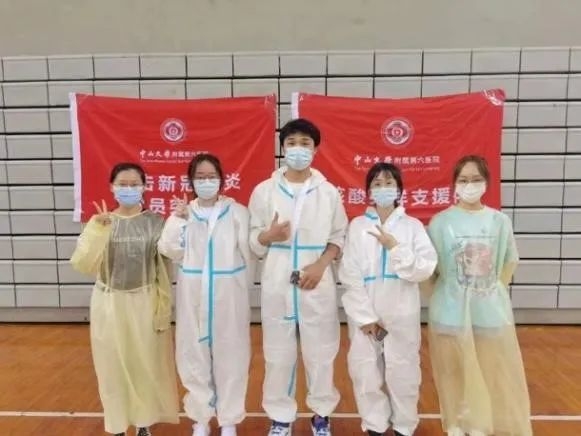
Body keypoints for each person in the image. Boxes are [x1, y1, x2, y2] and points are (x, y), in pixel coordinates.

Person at [248, 118, 348, 436]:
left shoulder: (328, 192)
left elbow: (338, 235)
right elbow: (253, 238)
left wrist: (321, 265)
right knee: (278, 353)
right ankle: (280, 417)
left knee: (321, 351)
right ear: (282, 148)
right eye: (291, 143)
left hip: (316, 280)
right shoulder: (264, 191)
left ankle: (321, 415)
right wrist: (269, 236)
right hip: (278, 281)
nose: (298, 149)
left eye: (305, 143)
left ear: (315, 149)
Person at [70, 163, 180, 436]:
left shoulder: (156, 223)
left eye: (134, 184)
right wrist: (98, 231)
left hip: (144, 300)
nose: (128, 189)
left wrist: (162, 308)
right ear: (112, 187)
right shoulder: (101, 221)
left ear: (144, 187)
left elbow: (166, 266)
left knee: (144, 363)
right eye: (122, 184)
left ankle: (143, 423)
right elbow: (83, 263)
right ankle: (117, 424)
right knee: (111, 365)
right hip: (109, 302)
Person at [426, 155, 532, 436]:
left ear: (486, 182)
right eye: (463, 180)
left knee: (486, 372)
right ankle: (455, 424)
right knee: (453, 374)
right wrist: (446, 297)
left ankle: (480, 425)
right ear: (454, 184)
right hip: (449, 312)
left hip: (488, 312)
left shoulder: (499, 221)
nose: (469, 185)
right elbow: (430, 269)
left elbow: (509, 262)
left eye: (476, 179)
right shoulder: (440, 222)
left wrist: (490, 293)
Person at [158, 153, 254, 436]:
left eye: (211, 176)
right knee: (193, 355)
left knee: (232, 356)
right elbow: (169, 250)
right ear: (191, 181)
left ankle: (228, 421)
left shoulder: (237, 212)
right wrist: (178, 220)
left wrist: (242, 287)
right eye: (200, 177)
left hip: (229, 295)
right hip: (193, 295)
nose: (206, 181)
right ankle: (200, 419)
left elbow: (250, 252)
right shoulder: (184, 213)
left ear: (222, 179)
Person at [340, 163, 437, 436]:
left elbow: (424, 268)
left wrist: (395, 248)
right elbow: (349, 274)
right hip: (366, 314)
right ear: (369, 191)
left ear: (399, 189)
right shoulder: (358, 226)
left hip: (402, 312)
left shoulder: (412, 227)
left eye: (389, 183)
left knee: (404, 371)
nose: (383, 188)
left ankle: (404, 427)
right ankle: (375, 426)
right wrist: (365, 317)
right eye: (377, 183)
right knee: (364, 371)